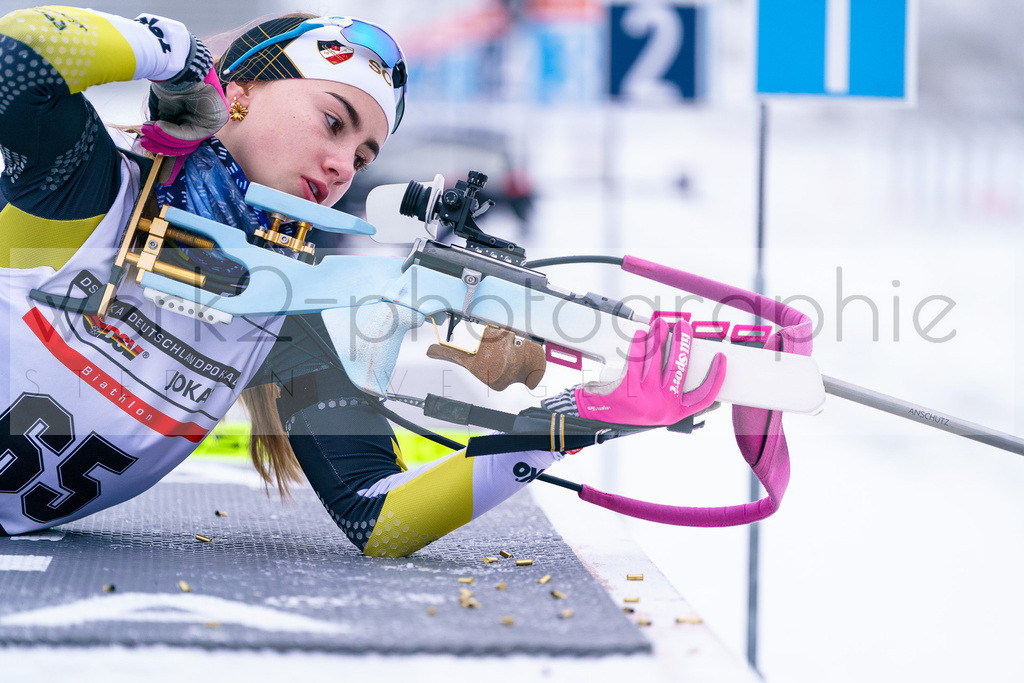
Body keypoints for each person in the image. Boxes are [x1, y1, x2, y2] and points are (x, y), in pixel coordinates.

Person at [0, 6, 715, 556]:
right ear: (238, 95)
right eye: (333, 122)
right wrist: (177, 54)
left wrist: (574, 419)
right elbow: (17, 57)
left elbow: (378, 513)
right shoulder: (91, 185)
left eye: (364, 152)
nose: (345, 166)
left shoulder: (272, 314)